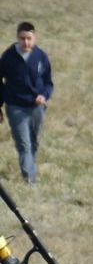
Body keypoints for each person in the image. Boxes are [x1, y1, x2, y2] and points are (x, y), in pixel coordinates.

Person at [1, 22, 54, 184]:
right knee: (24, 144)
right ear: (17, 38)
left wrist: (43, 96)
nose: (26, 42)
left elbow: (48, 83)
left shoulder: (41, 57)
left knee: (34, 141)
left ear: (34, 38)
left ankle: (31, 168)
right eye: (22, 38)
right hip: (16, 107)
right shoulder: (8, 57)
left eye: (29, 39)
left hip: (37, 106)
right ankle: (30, 179)